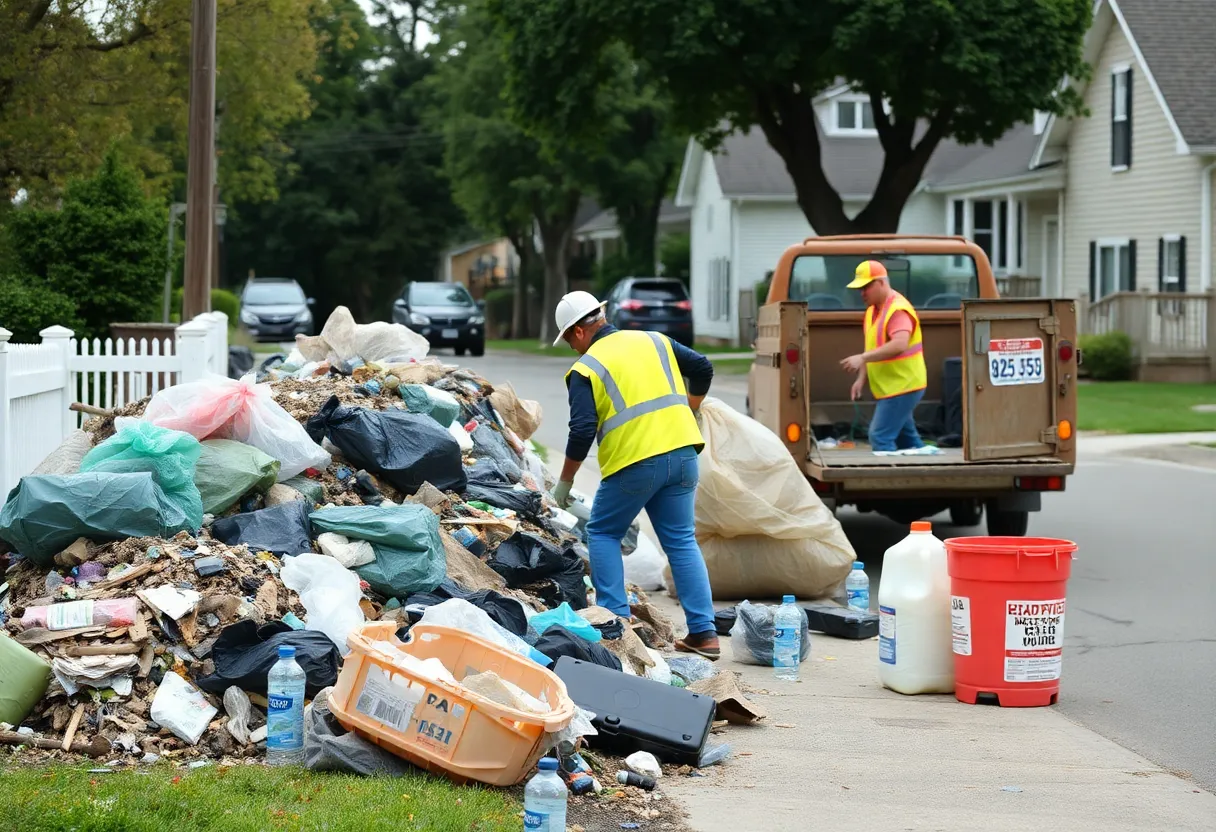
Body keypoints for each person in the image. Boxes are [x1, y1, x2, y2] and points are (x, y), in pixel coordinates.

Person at [548, 290, 720, 659]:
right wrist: (692, 407)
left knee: (603, 531)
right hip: (685, 453)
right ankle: (705, 634)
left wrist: (565, 482)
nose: (571, 349)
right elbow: (703, 367)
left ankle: (616, 625)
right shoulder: (654, 340)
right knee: (681, 541)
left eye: (568, 340)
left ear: (578, 331)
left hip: (636, 462)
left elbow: (581, 430)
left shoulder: (586, 368)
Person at [839, 260, 930, 453]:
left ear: (881, 283)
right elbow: (871, 349)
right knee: (909, 442)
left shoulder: (897, 310)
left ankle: (890, 481)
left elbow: (900, 343)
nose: (862, 293)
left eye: (866, 287)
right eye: (859, 289)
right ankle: (927, 474)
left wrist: (862, 358)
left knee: (879, 436)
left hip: (904, 385)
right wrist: (861, 378)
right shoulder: (873, 311)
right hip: (893, 386)